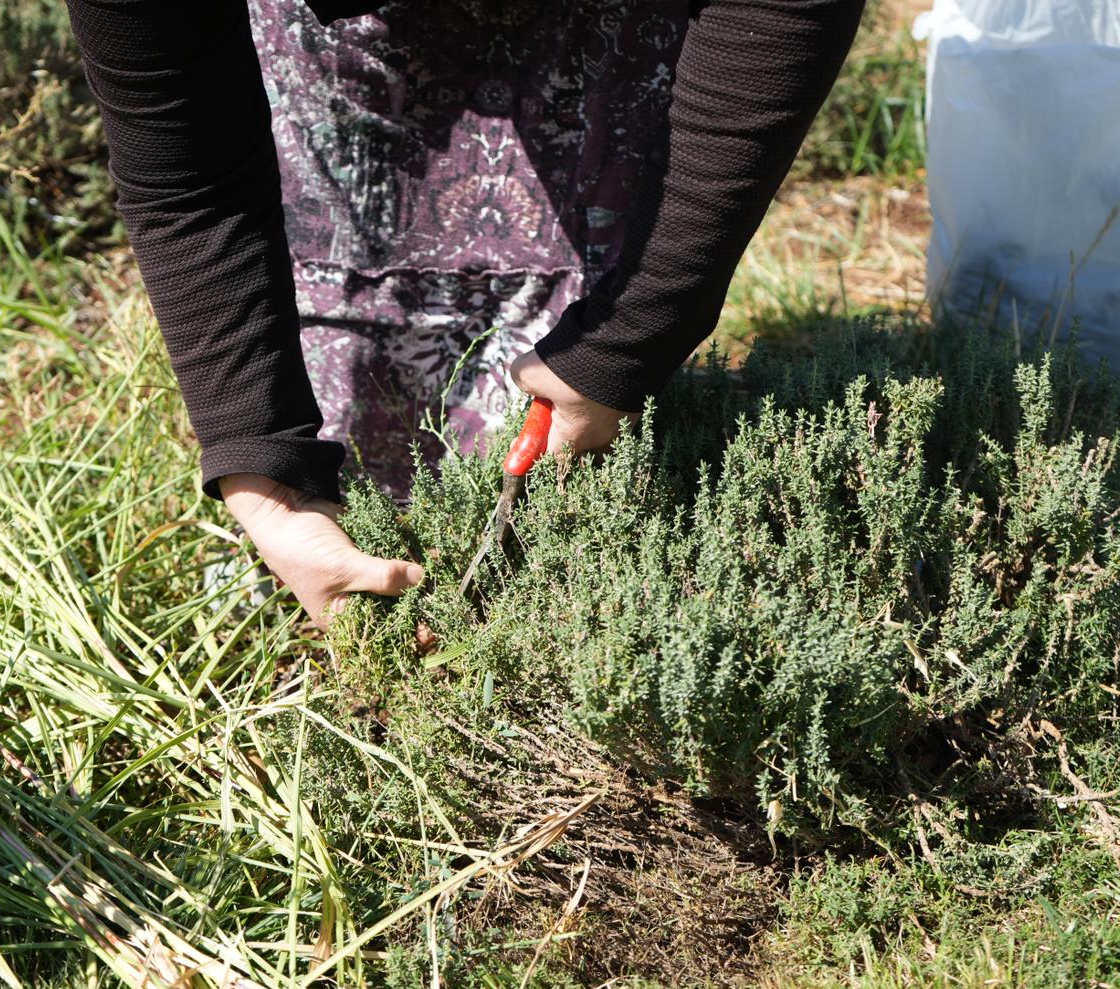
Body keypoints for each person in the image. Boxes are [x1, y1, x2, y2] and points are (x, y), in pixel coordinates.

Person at [64, 0, 865, 626]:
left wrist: (634, 330)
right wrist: (262, 477)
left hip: (601, 75)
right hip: (355, 107)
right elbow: (186, 175)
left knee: (593, 522)